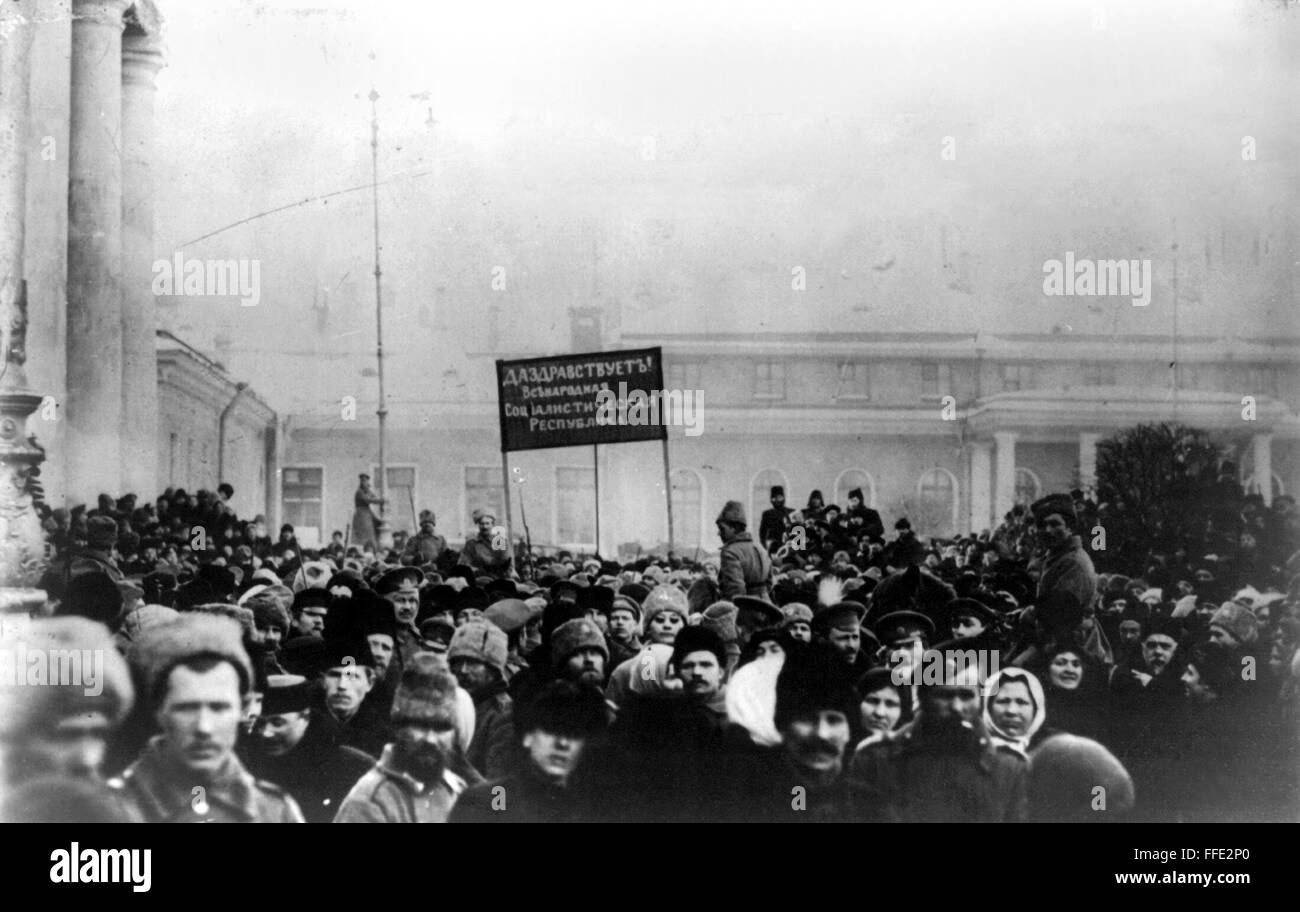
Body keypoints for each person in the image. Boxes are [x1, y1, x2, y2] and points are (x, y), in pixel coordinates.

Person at [115, 614, 305, 822]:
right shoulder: (107, 810)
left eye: (219, 708)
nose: (204, 727)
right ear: (159, 711)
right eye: (186, 708)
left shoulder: (274, 811)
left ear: (242, 708)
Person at [849, 656, 1029, 823]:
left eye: (966, 696)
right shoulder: (875, 759)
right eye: (945, 696)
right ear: (922, 697)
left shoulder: (1009, 767)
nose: (957, 707)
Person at [334, 653, 470, 822]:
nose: (431, 739)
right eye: (420, 726)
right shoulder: (370, 800)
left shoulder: (456, 790)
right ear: (399, 727)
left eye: (441, 728)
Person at [449, 681, 608, 823]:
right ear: (527, 736)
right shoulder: (492, 800)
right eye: (551, 729)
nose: (562, 743)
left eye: (573, 734)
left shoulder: (599, 809)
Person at [242, 675, 376, 823]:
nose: (266, 733)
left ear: (305, 718)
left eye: (277, 722)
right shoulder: (246, 766)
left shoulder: (352, 767)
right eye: (260, 724)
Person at [448, 620, 514, 779]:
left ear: (494, 670)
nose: (462, 670)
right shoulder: (448, 703)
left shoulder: (503, 714)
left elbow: (499, 787)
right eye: (457, 662)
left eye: (473, 663)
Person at [716, 500, 772, 600]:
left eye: (722, 528)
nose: (719, 533)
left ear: (734, 527)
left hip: (745, 608)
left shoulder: (730, 552)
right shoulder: (760, 548)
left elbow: (734, 590)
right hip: (766, 605)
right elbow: (770, 582)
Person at [460, 508, 511, 579]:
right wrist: (476, 571)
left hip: (500, 576)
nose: (484, 527)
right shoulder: (472, 543)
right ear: (478, 525)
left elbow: (506, 562)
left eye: (487, 523)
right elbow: (464, 563)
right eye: (481, 524)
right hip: (478, 577)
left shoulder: (500, 541)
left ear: (492, 524)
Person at [350, 474, 384, 552]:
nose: (365, 483)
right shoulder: (359, 492)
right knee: (364, 535)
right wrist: (380, 501)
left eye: (366, 481)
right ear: (361, 482)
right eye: (363, 481)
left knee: (378, 525)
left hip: (368, 513)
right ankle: (366, 550)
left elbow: (373, 497)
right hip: (361, 515)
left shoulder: (367, 491)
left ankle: (376, 549)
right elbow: (368, 500)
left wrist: (378, 500)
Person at [758, 485, 793, 554]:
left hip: (789, 547)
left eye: (779, 498)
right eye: (774, 498)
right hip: (774, 548)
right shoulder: (767, 514)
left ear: (783, 498)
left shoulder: (791, 512)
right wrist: (767, 547)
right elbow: (762, 533)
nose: (777, 500)